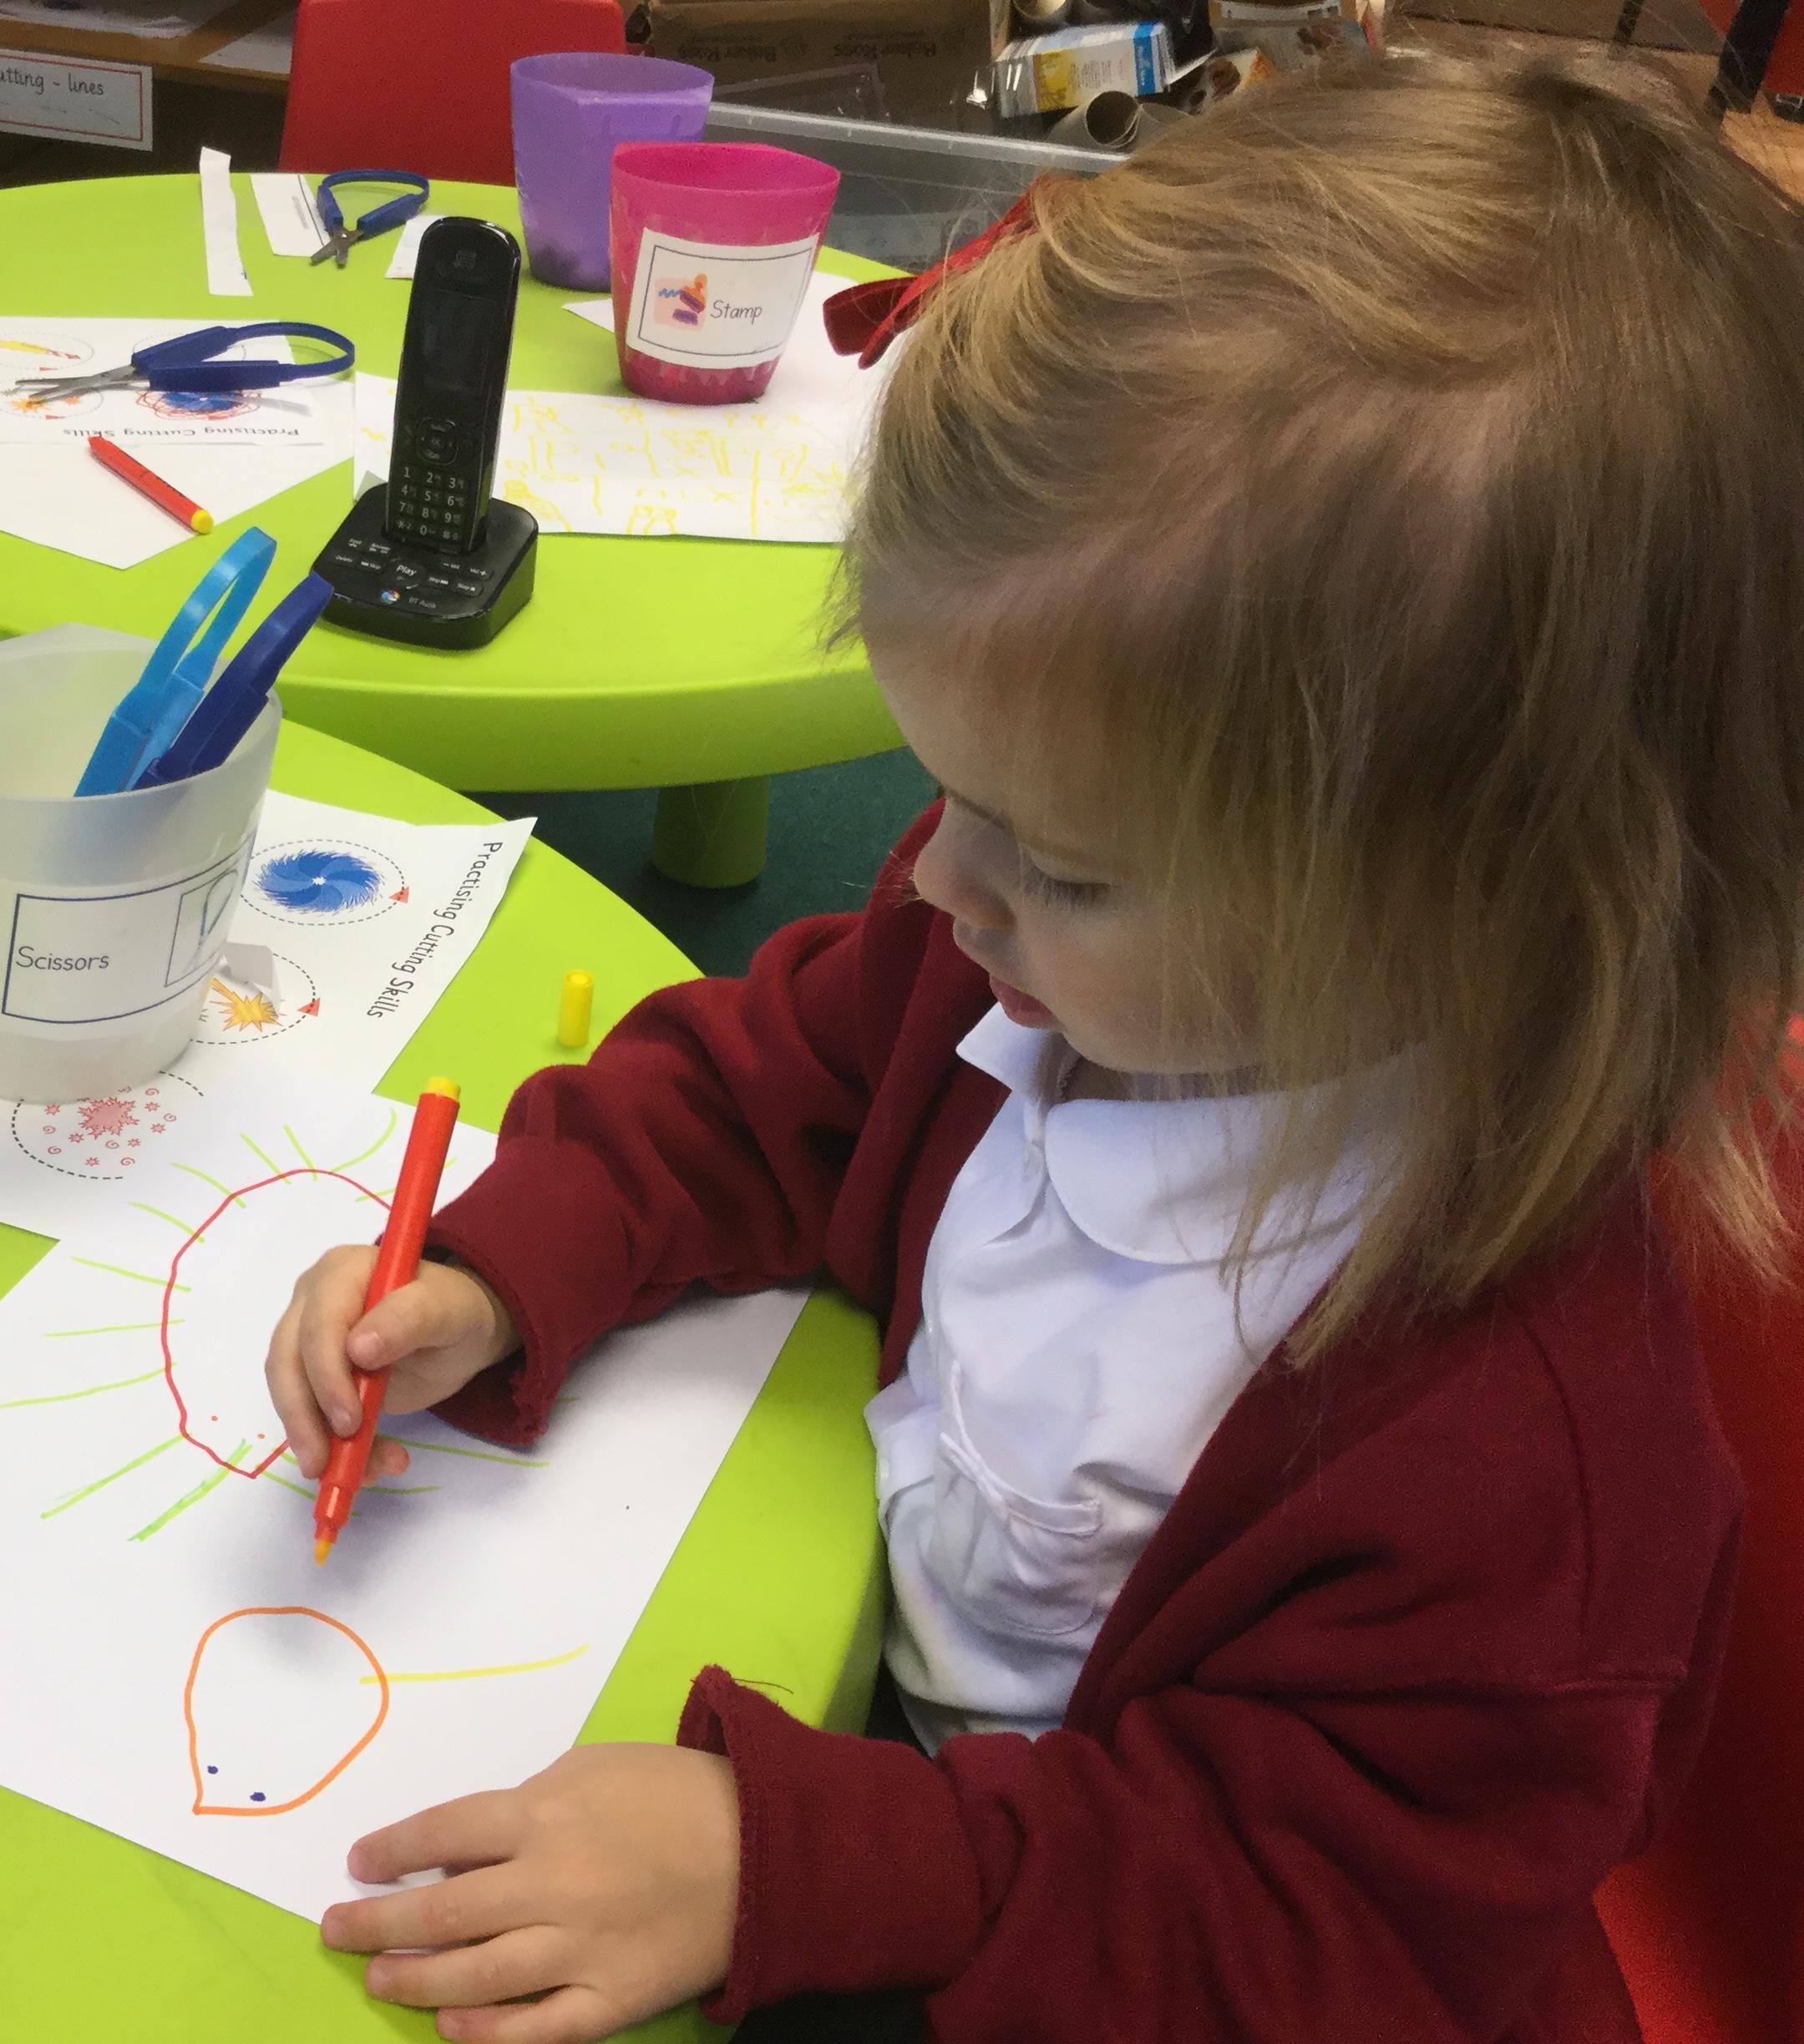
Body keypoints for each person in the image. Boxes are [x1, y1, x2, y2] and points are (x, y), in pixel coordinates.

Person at [261, 48, 1804, 2044]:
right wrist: (499, 1261)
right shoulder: (1031, 962)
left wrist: (803, 1860)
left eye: (1063, 861)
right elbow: (772, 1079)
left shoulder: (1522, 1463)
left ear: (1483, 920)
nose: (939, 881)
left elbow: (1302, 1939)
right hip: (904, 1749)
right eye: (948, 791)